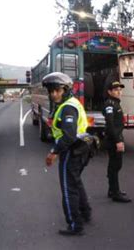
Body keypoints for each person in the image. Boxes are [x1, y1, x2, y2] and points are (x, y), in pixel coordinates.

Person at [43, 72, 92, 236]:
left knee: (68, 188)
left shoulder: (68, 108)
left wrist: (53, 152)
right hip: (80, 148)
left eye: (57, 90)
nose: (53, 94)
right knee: (76, 183)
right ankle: (86, 213)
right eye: (51, 91)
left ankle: (75, 224)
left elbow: (69, 136)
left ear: (66, 90)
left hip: (71, 151)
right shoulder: (71, 103)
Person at [103, 81, 131, 203]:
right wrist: (118, 141)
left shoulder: (115, 103)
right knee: (115, 166)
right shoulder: (110, 104)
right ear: (109, 92)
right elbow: (110, 125)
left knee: (114, 165)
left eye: (120, 89)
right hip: (114, 139)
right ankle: (116, 193)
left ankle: (112, 189)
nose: (119, 91)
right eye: (115, 90)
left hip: (114, 138)